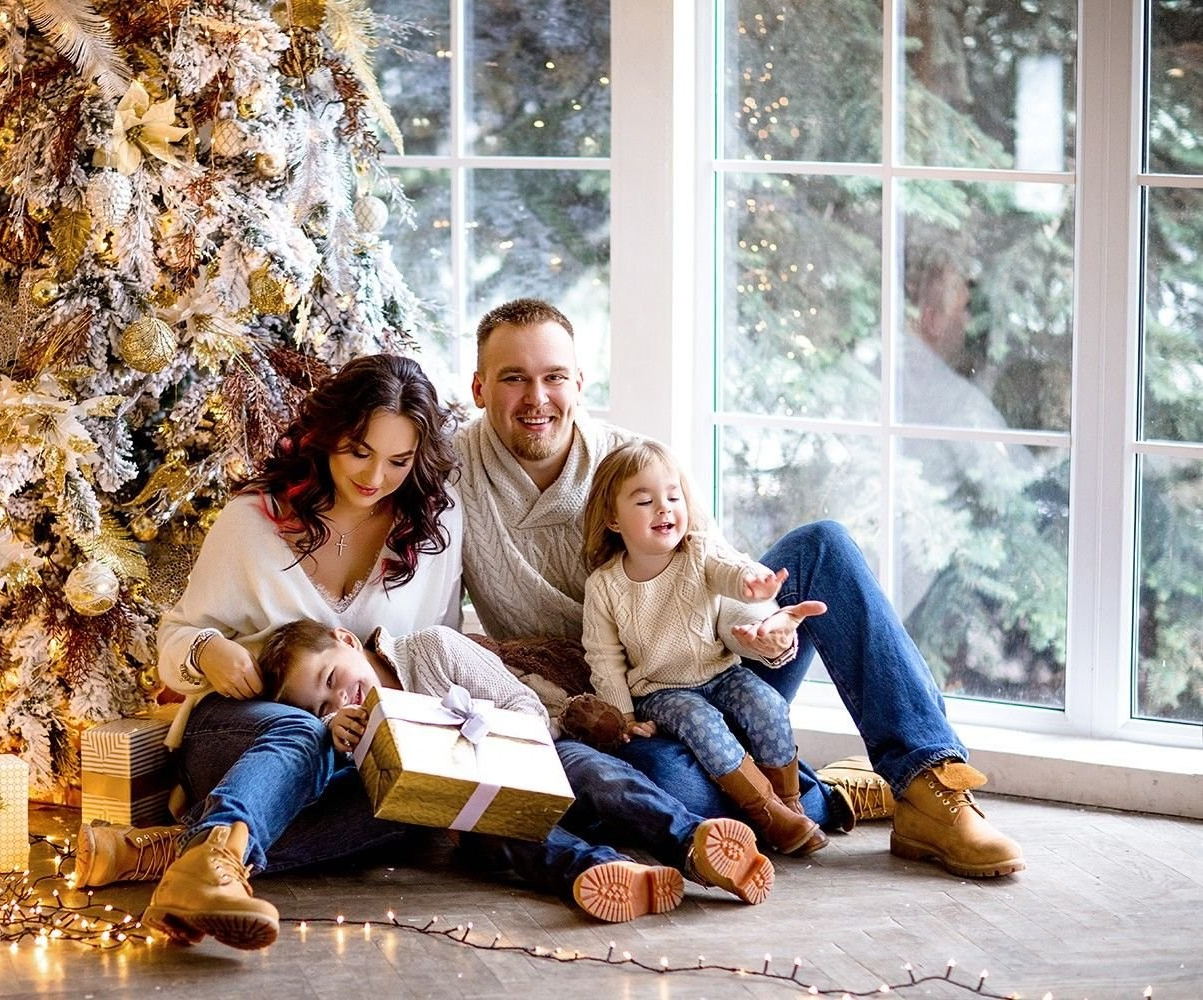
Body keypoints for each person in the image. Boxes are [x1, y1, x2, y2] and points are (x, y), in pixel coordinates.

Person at [454, 297, 1024, 879]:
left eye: (553, 377)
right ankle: (824, 796)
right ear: (478, 388)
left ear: (580, 381)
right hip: (625, 707)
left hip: (715, 665)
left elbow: (715, 569)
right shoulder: (450, 478)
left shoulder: (634, 464)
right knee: (671, 785)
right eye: (513, 379)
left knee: (823, 545)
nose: (537, 399)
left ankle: (929, 784)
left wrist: (762, 623)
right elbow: (428, 621)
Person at [80, 353, 466, 951]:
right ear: (328, 434)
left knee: (410, 810)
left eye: (399, 460)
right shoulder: (252, 522)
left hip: (357, 754)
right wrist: (207, 651)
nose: (375, 476)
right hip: (243, 735)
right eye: (359, 451)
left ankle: (182, 857)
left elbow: (433, 654)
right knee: (302, 731)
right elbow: (177, 638)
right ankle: (206, 863)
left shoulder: (431, 530)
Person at [258, 617, 776, 921]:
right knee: (498, 834)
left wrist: (463, 727)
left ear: (346, 640)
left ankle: (694, 845)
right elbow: (388, 803)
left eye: (330, 676)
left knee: (601, 776)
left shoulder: (432, 649)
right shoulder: (355, 737)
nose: (338, 696)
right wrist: (335, 736)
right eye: (321, 703)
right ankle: (602, 872)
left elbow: (525, 707)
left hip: (540, 755)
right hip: (476, 810)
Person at [580, 439, 829, 856]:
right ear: (613, 519)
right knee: (701, 722)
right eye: (645, 501)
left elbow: (732, 569)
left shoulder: (698, 553)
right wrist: (622, 715)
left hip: (720, 672)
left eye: (673, 496)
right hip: (660, 691)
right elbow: (604, 658)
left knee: (767, 703)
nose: (664, 508)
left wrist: (755, 584)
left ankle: (790, 805)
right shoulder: (605, 586)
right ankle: (764, 809)